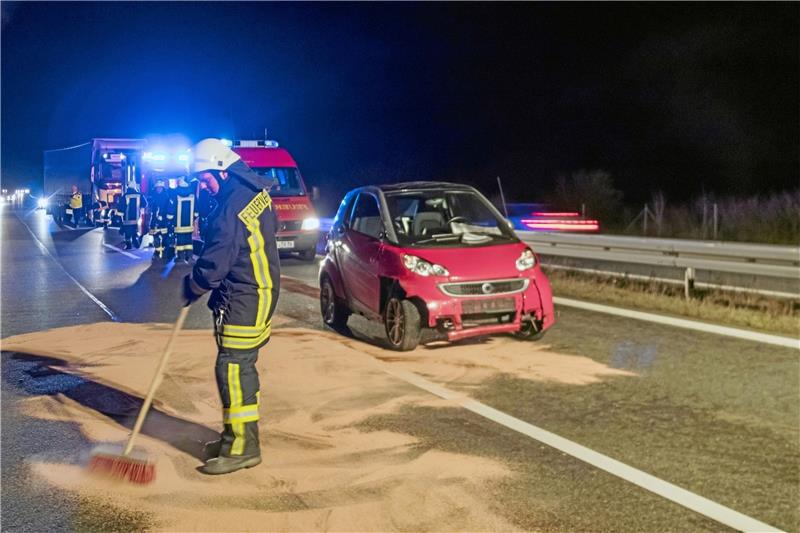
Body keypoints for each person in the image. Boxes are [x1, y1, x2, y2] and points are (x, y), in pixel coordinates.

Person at [181, 138, 280, 475]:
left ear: (222, 171)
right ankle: (231, 438)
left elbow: (216, 261)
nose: (202, 185)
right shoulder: (251, 192)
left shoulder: (230, 208)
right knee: (237, 367)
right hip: (255, 292)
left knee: (234, 370)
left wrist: (193, 285)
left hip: (245, 298)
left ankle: (243, 448)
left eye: (205, 177)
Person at [171, 177, 197, 263]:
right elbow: (197, 206)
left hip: (178, 223)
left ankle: (180, 257)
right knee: (189, 240)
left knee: (180, 240)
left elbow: (172, 207)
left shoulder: (175, 193)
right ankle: (189, 257)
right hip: (189, 222)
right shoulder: (192, 193)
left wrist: (170, 218)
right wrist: (195, 216)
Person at [148, 179, 173, 259]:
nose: (158, 189)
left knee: (165, 237)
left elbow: (170, 209)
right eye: (157, 188)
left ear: (163, 188)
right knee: (155, 236)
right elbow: (152, 209)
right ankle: (157, 251)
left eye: (160, 188)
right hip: (155, 220)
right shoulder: (154, 197)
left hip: (164, 221)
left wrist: (166, 219)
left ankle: (166, 250)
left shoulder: (167, 198)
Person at [119, 184, 146, 250]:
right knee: (135, 230)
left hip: (127, 218)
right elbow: (145, 204)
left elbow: (121, 206)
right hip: (137, 218)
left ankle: (128, 245)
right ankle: (135, 239)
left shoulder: (125, 196)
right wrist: (141, 208)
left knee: (127, 233)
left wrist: (120, 214)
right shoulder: (140, 195)